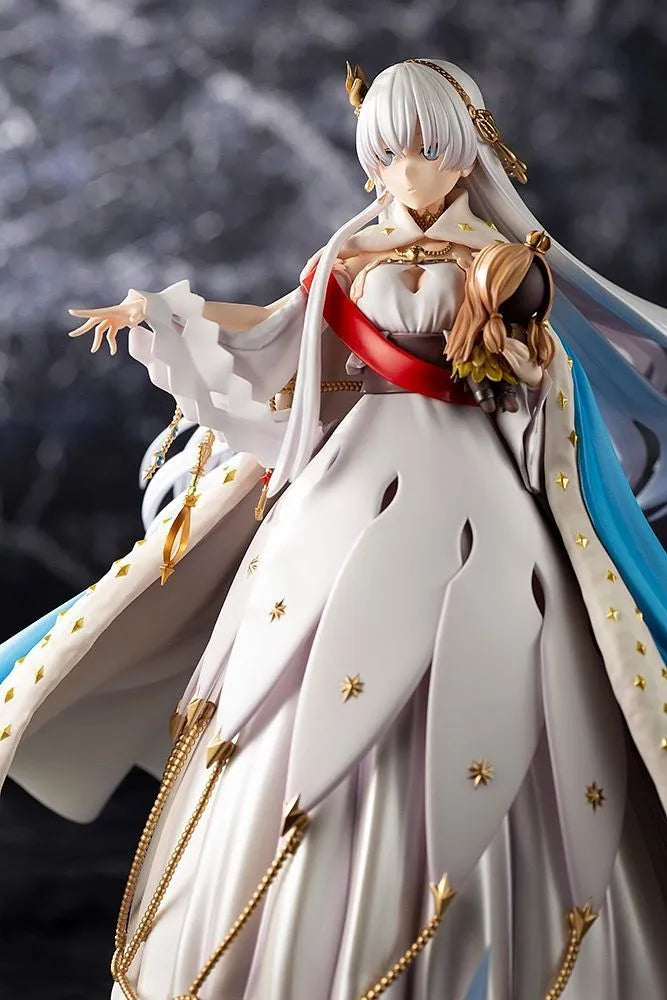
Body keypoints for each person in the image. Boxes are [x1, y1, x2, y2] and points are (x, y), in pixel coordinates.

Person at [1, 57, 666, 1000]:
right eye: (385, 155)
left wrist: (512, 355)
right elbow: (275, 328)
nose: (405, 173)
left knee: (498, 657)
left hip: (476, 488)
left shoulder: (504, 258)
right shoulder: (350, 257)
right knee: (298, 669)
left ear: (468, 152)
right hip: (348, 481)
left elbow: (537, 371)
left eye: (425, 151)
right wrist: (159, 310)